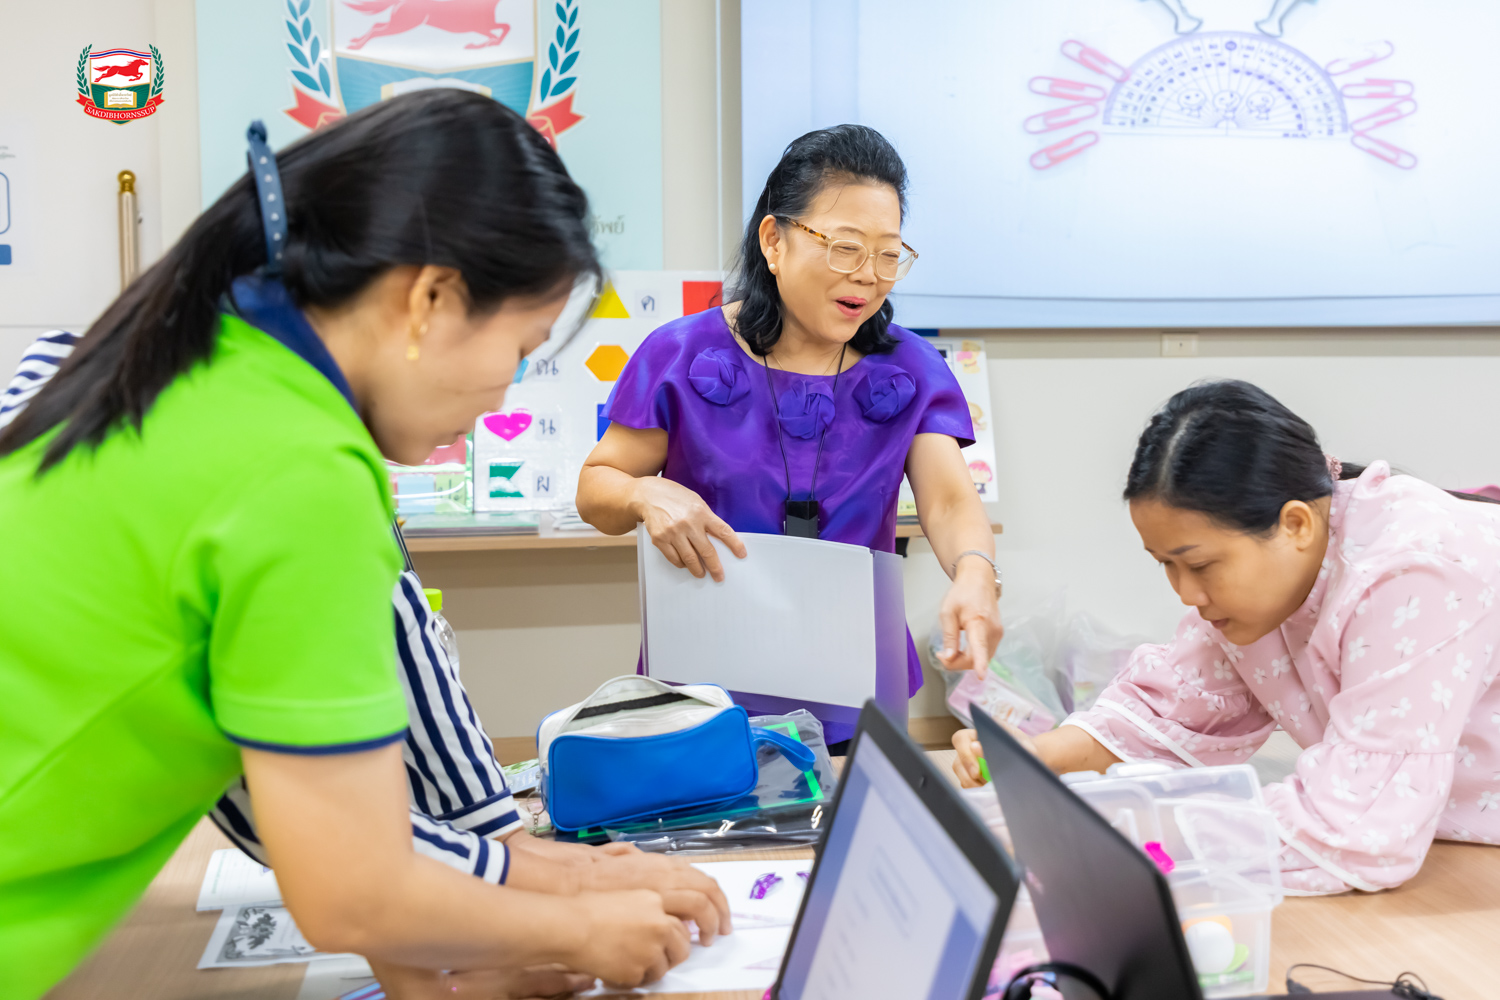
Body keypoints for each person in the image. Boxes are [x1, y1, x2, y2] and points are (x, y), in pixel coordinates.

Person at [0, 91, 727, 999]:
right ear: (430, 299)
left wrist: (486, 928)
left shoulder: (180, 363)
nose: (503, 396)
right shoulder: (302, 471)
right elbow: (353, 889)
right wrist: (581, 927)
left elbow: (269, 768)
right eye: (521, 347)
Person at [953, 380, 1500, 894]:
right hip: (1440, 839)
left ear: (1296, 525)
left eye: (1199, 565)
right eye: (1166, 564)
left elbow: (1358, 828)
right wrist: (1036, 756)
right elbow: (1172, 713)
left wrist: (1139, 834)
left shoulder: (1413, 571)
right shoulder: (1267, 584)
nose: (1185, 594)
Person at [576, 125, 1002, 746]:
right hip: (708, 684)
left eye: (888, 255)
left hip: (854, 683)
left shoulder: (909, 369)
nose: (868, 276)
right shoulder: (681, 354)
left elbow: (950, 503)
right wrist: (643, 493)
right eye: (846, 248)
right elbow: (597, 489)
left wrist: (975, 573)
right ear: (774, 241)